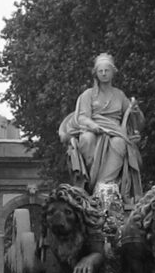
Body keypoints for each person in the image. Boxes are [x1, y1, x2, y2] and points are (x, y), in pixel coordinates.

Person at [59, 53, 144, 202]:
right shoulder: (88, 95)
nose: (104, 74)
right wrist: (94, 126)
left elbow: (132, 118)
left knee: (119, 142)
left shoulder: (119, 95)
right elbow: (82, 117)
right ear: (96, 74)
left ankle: (104, 185)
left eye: (107, 70)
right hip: (93, 129)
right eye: (101, 71)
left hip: (116, 131)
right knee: (87, 138)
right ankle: (90, 183)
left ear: (113, 72)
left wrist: (135, 111)